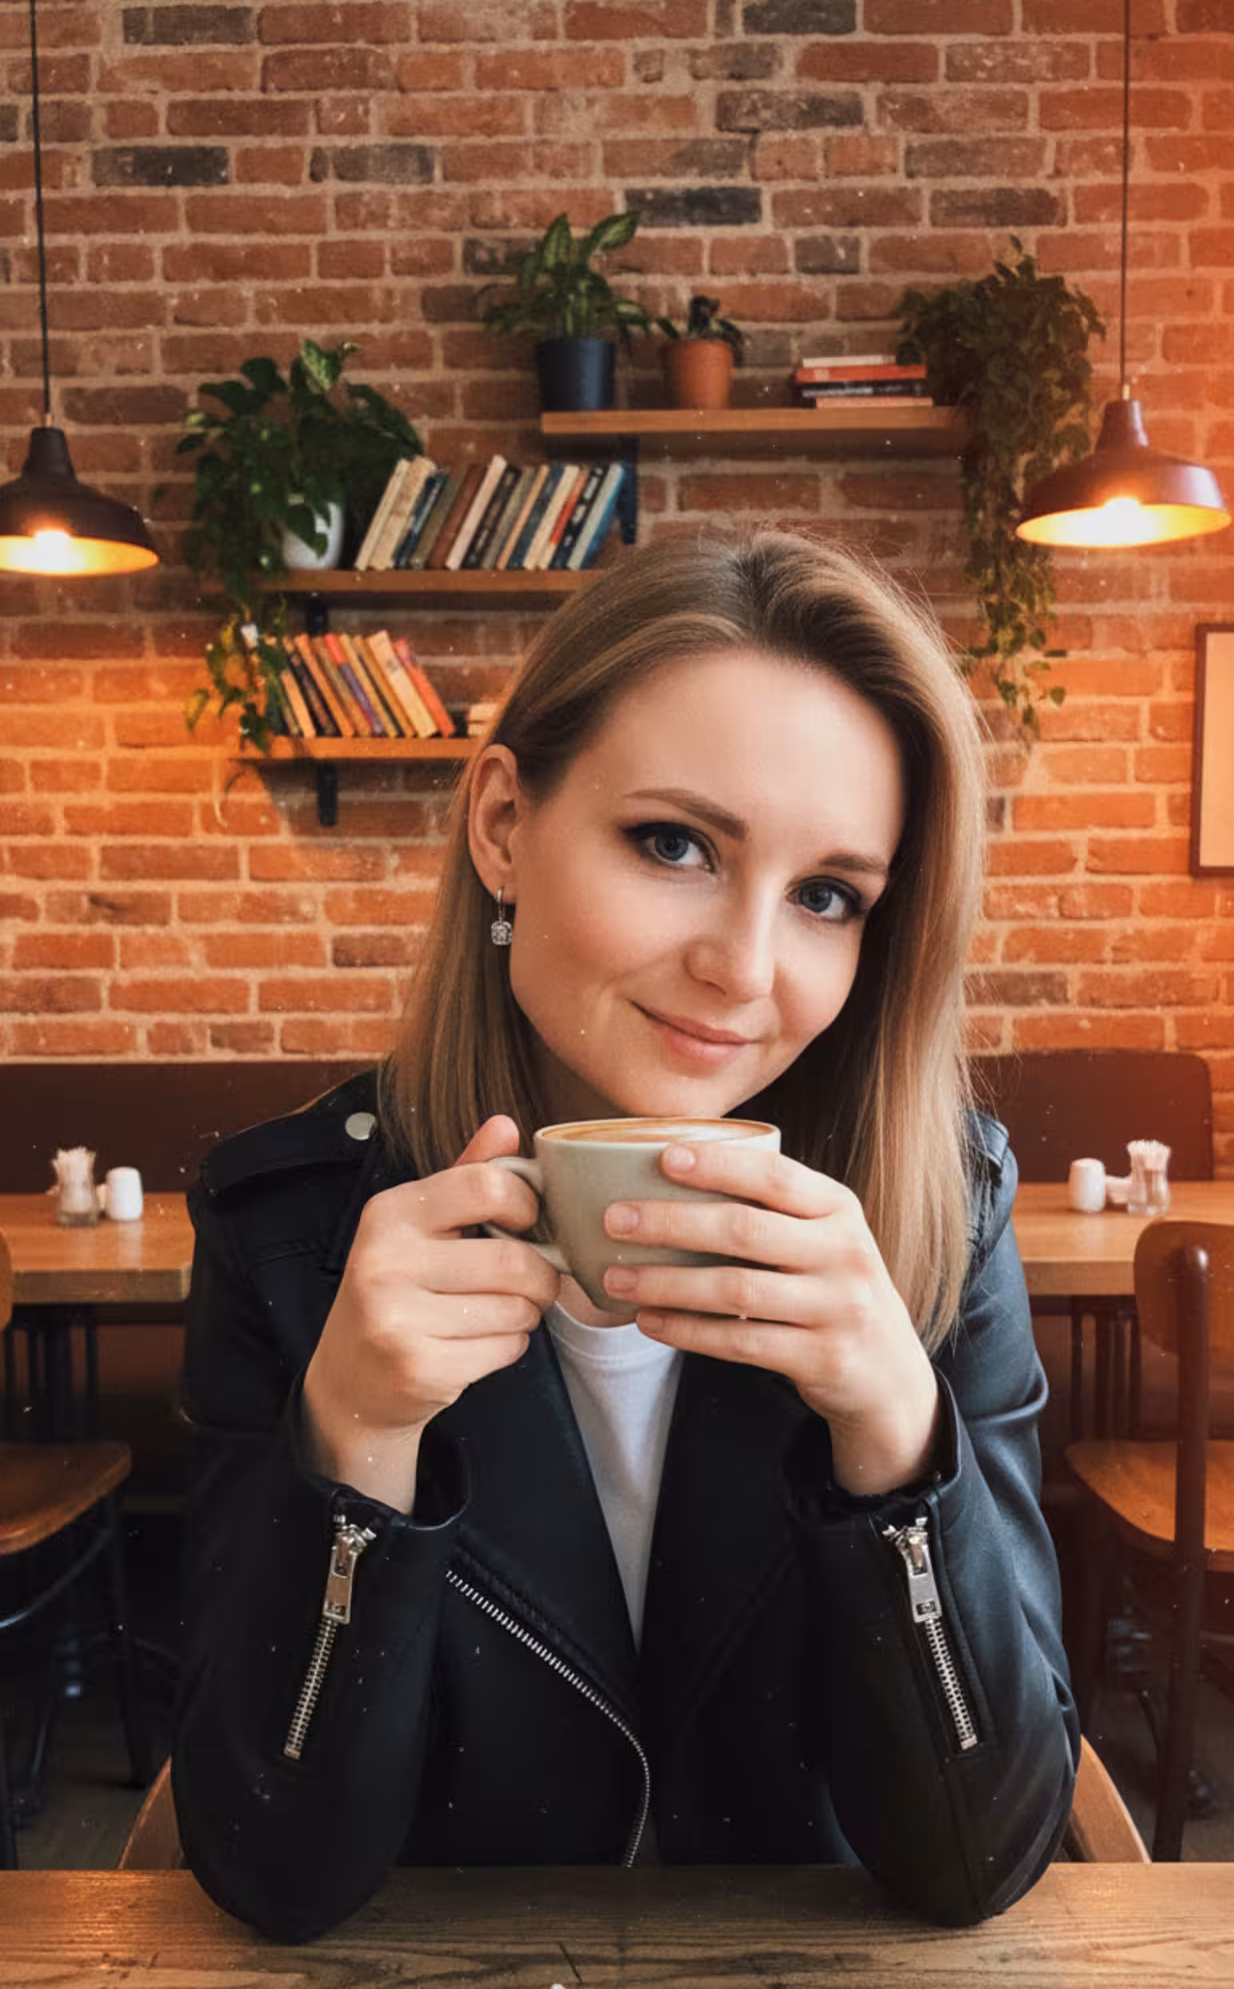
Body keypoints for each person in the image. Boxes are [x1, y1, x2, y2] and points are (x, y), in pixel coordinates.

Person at [173, 527, 1078, 1941]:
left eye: (826, 896)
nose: (744, 966)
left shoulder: (936, 1217)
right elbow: (271, 1872)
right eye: (673, 844)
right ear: (502, 827)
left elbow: (984, 1859)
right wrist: (356, 1443)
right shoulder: (290, 1237)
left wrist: (896, 1437)